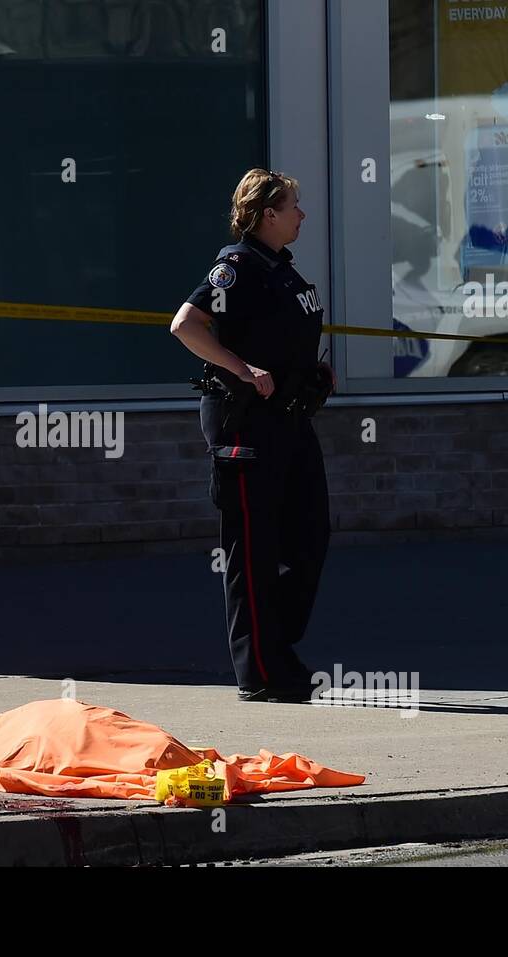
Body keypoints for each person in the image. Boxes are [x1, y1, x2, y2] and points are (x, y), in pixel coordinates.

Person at [170, 169, 336, 703]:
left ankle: (276, 649)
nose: (301, 215)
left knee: (310, 537)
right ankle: (261, 671)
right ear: (267, 214)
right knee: (253, 551)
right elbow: (185, 325)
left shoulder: (281, 271)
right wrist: (240, 369)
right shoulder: (236, 268)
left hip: (289, 419)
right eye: (292, 206)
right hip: (245, 423)